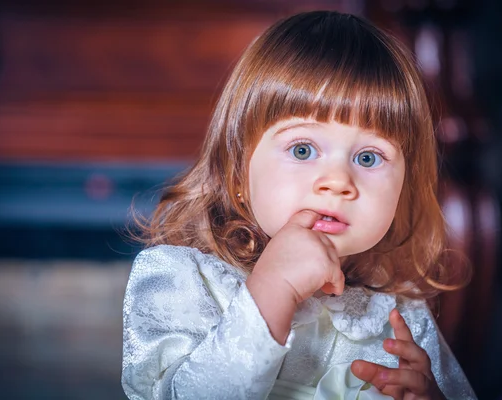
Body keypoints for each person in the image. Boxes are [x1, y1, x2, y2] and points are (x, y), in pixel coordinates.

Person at [121, 10, 476, 400]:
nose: (339, 181)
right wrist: (271, 290)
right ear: (238, 173)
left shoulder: (402, 311)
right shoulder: (183, 278)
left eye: (369, 158)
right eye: (303, 149)